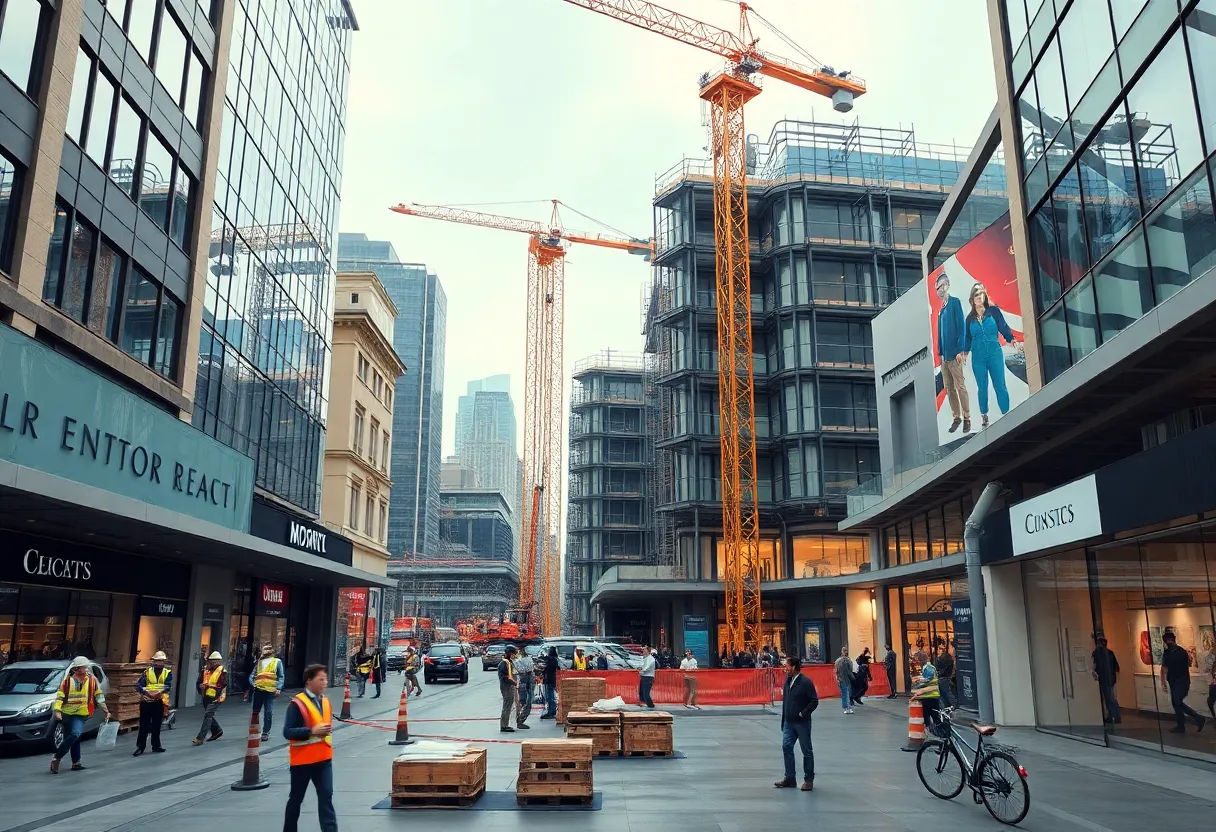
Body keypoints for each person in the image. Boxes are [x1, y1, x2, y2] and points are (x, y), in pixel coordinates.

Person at [282, 664, 337, 832]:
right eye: (321, 679)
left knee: (326, 796)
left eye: (325, 679)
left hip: (324, 759)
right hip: (302, 761)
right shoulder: (297, 704)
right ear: (309, 681)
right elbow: (287, 732)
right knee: (296, 799)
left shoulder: (326, 702)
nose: (324, 682)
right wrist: (311, 731)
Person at [962, 283, 1017, 429]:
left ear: (985, 295)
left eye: (981, 293)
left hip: (994, 354)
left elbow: (1003, 326)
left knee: (1000, 385)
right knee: (983, 387)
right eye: (976, 294)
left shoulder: (993, 311)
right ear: (972, 299)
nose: (979, 297)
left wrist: (1011, 339)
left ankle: (1007, 414)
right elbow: (967, 338)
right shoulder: (969, 319)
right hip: (978, 358)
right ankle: (984, 416)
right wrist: (965, 353)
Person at [50, 656, 109, 773]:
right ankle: (76, 763)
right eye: (84, 666)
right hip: (67, 714)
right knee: (73, 737)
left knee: (75, 734)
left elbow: (99, 696)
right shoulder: (67, 682)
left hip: (81, 713)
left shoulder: (92, 681)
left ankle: (57, 757)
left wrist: (105, 710)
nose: (86, 668)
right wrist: (57, 711)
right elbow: (60, 697)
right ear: (77, 668)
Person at [774, 656, 819, 791]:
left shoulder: (805, 682)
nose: (785, 668)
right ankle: (790, 778)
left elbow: (814, 701)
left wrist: (803, 713)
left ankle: (808, 780)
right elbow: (786, 702)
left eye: (786, 666)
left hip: (802, 723)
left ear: (793, 667)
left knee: (806, 750)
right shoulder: (788, 681)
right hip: (789, 722)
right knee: (786, 746)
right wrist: (784, 720)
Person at [934, 271, 971, 434]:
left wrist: (960, 350)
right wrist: (940, 352)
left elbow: (961, 327)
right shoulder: (941, 310)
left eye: (942, 285)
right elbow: (940, 333)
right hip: (944, 357)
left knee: (960, 386)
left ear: (947, 284)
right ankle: (957, 417)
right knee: (949, 388)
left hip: (955, 354)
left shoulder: (955, 303)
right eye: (937, 287)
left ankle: (967, 417)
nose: (940, 289)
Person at [1160, 630, 1205, 734]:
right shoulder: (1180, 651)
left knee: (1177, 702)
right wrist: (1163, 681)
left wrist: (1163, 681)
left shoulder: (1174, 652)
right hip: (1177, 681)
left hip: (1180, 681)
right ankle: (1181, 726)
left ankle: (1197, 717)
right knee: (1176, 703)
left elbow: (1164, 668)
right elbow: (1165, 668)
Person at [133, 651, 171, 756]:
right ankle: (140, 747)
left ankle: (156, 745)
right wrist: (147, 692)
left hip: (159, 701)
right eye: (157, 661)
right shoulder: (147, 672)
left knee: (157, 725)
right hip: (146, 701)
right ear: (154, 662)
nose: (159, 663)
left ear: (164, 662)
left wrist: (160, 692)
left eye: (161, 661)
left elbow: (168, 685)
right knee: (144, 725)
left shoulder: (167, 672)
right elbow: (138, 686)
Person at [246, 643, 284, 742]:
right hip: (258, 689)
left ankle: (265, 732)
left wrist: (278, 688)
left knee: (268, 712)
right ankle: (254, 731)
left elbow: (281, 676)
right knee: (255, 711)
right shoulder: (259, 662)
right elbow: (253, 674)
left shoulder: (277, 662)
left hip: (270, 691)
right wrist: (253, 683)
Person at [193, 651, 227, 746]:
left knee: (208, 715)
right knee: (209, 715)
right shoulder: (205, 670)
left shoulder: (222, 671)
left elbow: (222, 684)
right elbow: (199, 681)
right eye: (211, 662)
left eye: (215, 662)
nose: (213, 663)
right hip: (206, 696)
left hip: (217, 697)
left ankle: (200, 738)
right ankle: (217, 731)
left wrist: (207, 686)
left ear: (219, 662)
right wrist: (200, 687)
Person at [1091, 634, 1121, 724]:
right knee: (1110, 697)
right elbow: (1117, 667)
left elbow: (1096, 666)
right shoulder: (1110, 653)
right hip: (1111, 679)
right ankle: (1113, 716)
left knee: (1109, 698)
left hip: (1104, 679)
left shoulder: (1097, 653)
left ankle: (1114, 716)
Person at [911, 664, 943, 736]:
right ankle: (935, 731)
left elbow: (927, 680)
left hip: (929, 696)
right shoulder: (931, 667)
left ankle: (936, 732)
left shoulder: (927, 668)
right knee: (932, 716)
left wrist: (918, 683)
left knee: (931, 716)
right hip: (931, 696)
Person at [499, 645, 519, 733]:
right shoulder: (504, 663)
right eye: (514, 653)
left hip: (509, 686)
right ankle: (504, 726)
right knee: (507, 705)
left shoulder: (509, 662)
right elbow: (505, 677)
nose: (515, 655)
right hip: (506, 686)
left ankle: (505, 724)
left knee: (508, 705)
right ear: (510, 653)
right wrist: (514, 683)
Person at [514, 648, 535, 729]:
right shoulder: (522, 661)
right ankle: (520, 721)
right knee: (526, 704)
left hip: (525, 684)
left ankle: (520, 720)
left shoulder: (520, 661)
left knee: (525, 703)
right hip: (525, 685)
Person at [540, 646, 559, 719]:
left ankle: (551, 712)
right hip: (552, 679)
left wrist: (543, 669)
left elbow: (547, 669)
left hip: (550, 680)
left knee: (550, 697)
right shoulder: (555, 659)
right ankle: (552, 711)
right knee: (551, 696)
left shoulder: (551, 659)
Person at [934, 643, 956, 707]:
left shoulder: (943, 658)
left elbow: (942, 669)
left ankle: (951, 704)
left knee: (945, 692)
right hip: (946, 677)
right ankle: (950, 705)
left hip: (943, 677)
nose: (938, 651)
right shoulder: (947, 658)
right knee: (946, 692)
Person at [834, 647, 854, 714]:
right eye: (844, 651)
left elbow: (850, 670)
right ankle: (846, 707)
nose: (845, 652)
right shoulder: (839, 660)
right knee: (845, 693)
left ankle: (848, 707)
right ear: (842, 651)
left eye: (846, 650)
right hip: (842, 679)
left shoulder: (848, 660)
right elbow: (836, 670)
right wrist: (837, 678)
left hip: (847, 679)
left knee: (848, 693)